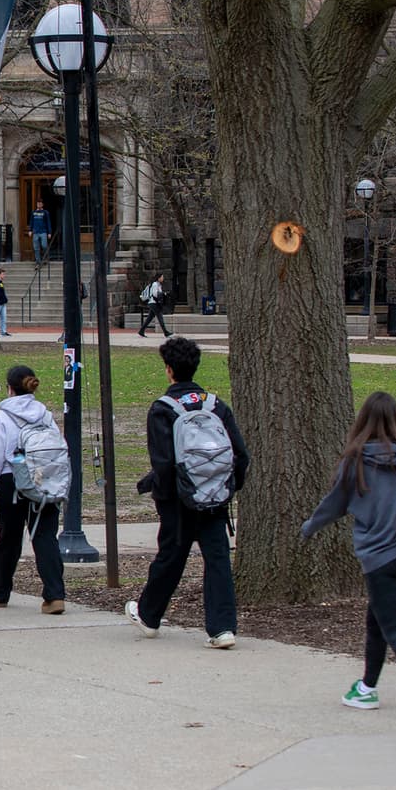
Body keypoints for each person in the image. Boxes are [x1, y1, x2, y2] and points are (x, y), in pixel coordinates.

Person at [300, 391, 396, 722]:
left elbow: (334, 504)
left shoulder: (355, 463)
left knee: (393, 626)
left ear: (363, 420)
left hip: (381, 559)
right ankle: (367, 688)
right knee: (377, 619)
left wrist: (309, 527)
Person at [126, 336, 248, 648]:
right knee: (217, 558)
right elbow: (240, 454)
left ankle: (149, 615)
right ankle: (222, 628)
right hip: (214, 495)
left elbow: (164, 464)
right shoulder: (216, 405)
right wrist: (228, 487)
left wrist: (162, 495)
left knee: (170, 556)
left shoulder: (163, 410)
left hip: (177, 499)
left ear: (169, 370)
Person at [0, 365, 68, 614]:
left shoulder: (2, 417)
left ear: (9, 388)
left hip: (12, 482)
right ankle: (54, 594)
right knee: (45, 537)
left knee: (10, 538)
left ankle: (0, 589)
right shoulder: (45, 415)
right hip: (45, 481)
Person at [137, 273, 170, 337]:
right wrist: (163, 294)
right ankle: (166, 332)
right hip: (154, 303)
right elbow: (155, 294)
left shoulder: (158, 284)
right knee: (160, 317)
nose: (163, 278)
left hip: (153, 303)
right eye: (162, 277)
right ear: (159, 278)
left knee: (149, 318)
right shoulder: (155, 284)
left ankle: (141, 331)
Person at [0, 272, 11, 337]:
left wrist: (5, 299)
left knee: (3, 318)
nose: (4, 275)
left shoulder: (1, 282)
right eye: (3, 274)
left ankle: (3, 332)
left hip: (2, 303)